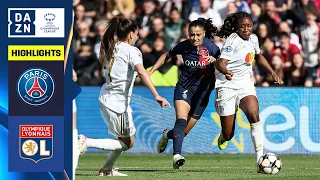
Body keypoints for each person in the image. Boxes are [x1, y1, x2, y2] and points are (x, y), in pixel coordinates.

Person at [77, 17, 171, 177]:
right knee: (127, 143)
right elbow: (140, 71)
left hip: (106, 96)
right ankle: (86, 142)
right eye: (136, 33)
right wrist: (157, 95)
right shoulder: (131, 51)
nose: (137, 36)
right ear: (130, 34)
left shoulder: (111, 47)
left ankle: (106, 170)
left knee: (122, 139)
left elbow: (127, 73)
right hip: (117, 103)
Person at [214, 12, 284, 172]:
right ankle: (223, 136)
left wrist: (273, 73)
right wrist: (226, 71)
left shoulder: (253, 39)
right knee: (228, 134)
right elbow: (220, 63)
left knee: (254, 115)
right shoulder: (233, 40)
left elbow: (258, 57)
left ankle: (260, 160)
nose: (246, 29)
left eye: (249, 26)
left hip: (245, 84)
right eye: (242, 26)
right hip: (227, 86)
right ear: (237, 28)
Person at [149, 18, 221, 169]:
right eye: (192, 35)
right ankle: (176, 155)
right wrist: (150, 72)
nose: (194, 38)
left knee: (181, 132)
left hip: (203, 94)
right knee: (181, 121)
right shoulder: (183, 46)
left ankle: (166, 135)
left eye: (198, 35)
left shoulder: (212, 48)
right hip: (184, 88)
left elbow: (223, 66)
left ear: (204, 34)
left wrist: (215, 61)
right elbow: (166, 56)